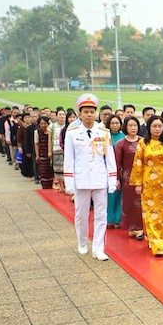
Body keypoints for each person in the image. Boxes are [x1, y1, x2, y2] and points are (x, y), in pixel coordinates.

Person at [63, 93, 118, 261]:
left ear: (96, 114)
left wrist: (112, 179)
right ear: (80, 114)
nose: (89, 115)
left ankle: (98, 248)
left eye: (92, 112)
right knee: (81, 214)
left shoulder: (103, 132)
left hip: (99, 179)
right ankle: (82, 242)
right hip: (81, 180)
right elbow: (69, 159)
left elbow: (109, 158)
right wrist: (69, 182)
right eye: (86, 112)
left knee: (101, 215)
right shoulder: (72, 132)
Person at [130, 116, 163, 256]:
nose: (157, 129)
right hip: (148, 184)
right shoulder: (142, 144)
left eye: (160, 126)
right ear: (149, 127)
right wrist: (138, 183)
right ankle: (154, 241)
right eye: (154, 126)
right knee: (150, 213)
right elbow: (138, 164)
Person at [115, 116, 144, 240]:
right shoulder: (121, 143)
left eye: (135, 125)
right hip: (127, 178)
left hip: (143, 177)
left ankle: (141, 228)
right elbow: (117, 163)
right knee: (129, 204)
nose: (133, 128)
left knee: (142, 203)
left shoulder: (143, 141)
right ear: (125, 127)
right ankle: (132, 228)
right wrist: (116, 178)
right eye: (130, 125)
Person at [106, 115, 125, 228]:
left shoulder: (123, 137)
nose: (115, 125)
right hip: (108, 169)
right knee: (109, 195)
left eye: (117, 123)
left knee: (119, 195)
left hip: (120, 169)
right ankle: (109, 218)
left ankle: (118, 219)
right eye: (112, 123)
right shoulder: (105, 136)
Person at [49, 108, 67, 193]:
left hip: (65, 151)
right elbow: (49, 139)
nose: (62, 116)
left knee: (65, 169)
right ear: (56, 116)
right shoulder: (52, 126)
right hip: (56, 150)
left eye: (63, 114)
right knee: (57, 169)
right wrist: (49, 151)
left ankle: (66, 185)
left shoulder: (68, 126)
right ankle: (61, 186)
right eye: (60, 114)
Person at [34, 116, 54, 189]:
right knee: (43, 170)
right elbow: (36, 144)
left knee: (50, 170)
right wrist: (37, 155)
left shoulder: (51, 131)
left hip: (50, 154)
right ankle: (44, 186)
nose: (43, 125)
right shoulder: (37, 132)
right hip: (42, 153)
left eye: (44, 123)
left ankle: (51, 185)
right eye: (41, 123)